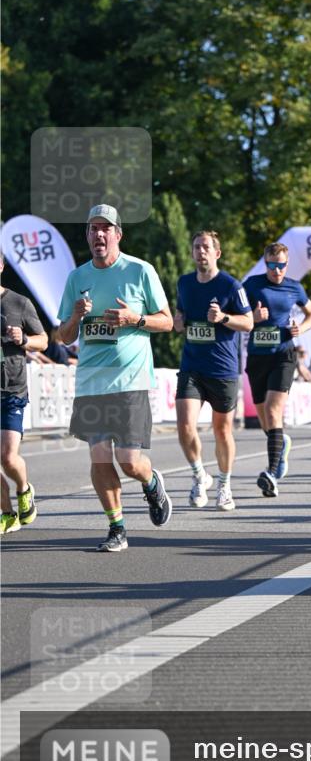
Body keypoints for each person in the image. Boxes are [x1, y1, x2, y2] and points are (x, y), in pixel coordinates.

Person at [57, 205, 173, 552]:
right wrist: (76, 316)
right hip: (91, 382)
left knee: (129, 462)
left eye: (106, 228)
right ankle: (116, 527)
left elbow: (167, 321)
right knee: (99, 459)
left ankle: (151, 483)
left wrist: (134, 319)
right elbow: (62, 337)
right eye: (93, 229)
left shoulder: (140, 271)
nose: (99, 235)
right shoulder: (77, 278)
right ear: (88, 236)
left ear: (118, 234)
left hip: (131, 381)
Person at [174, 231, 253, 511]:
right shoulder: (183, 283)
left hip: (222, 369)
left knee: (222, 431)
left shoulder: (231, 285)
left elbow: (249, 323)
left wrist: (224, 318)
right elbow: (180, 316)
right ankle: (199, 476)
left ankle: (225, 486)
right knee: (184, 426)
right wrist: (178, 320)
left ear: (217, 253)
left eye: (206, 247)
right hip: (192, 366)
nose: (201, 252)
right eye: (196, 247)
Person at [243, 242, 311, 498]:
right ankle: (280, 444)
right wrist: (253, 317)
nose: (277, 271)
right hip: (257, 357)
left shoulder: (294, 287)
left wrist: (302, 328)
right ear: (266, 263)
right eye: (272, 266)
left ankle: (272, 472)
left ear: (287, 264)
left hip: (284, 355)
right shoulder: (252, 285)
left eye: (281, 266)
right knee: (265, 417)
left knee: (275, 410)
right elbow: (236, 316)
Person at [0, 254, 48, 534]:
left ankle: (24, 488)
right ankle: (7, 513)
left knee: (7, 457)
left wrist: (25, 339)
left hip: (11, 389)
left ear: (2, 266)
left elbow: (44, 340)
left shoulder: (19, 302)